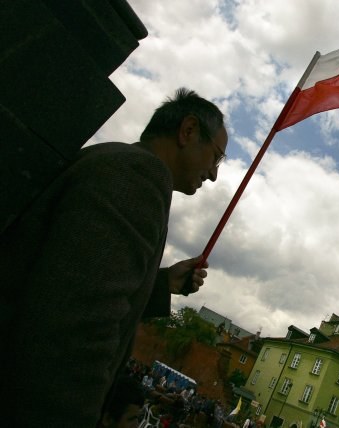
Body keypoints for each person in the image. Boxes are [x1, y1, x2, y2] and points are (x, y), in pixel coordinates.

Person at [0, 88, 228, 427]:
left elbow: (68, 278)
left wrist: (163, 282)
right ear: (189, 131)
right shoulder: (138, 176)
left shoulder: (119, 163)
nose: (213, 174)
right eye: (216, 157)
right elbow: (75, 332)